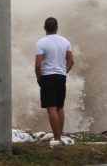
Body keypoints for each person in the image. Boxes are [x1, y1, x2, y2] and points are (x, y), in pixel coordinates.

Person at [35, 17, 74, 147]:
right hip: (61, 77)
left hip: (47, 77)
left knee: (51, 108)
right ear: (57, 27)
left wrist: (39, 78)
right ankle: (59, 136)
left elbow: (38, 65)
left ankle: (57, 139)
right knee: (60, 107)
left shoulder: (41, 42)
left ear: (44, 28)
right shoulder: (65, 41)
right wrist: (64, 72)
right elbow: (71, 61)